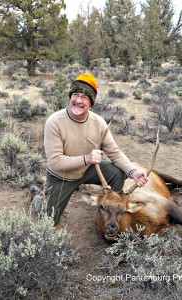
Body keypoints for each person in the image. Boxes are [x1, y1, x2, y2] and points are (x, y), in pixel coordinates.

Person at [44, 73, 148, 224]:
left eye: (84, 97)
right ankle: (37, 199)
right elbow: (55, 162)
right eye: (75, 95)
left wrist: (133, 172)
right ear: (70, 96)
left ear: (91, 103)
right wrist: (86, 159)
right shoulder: (54, 122)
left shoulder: (98, 122)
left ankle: (111, 209)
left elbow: (114, 152)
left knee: (118, 173)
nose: (78, 100)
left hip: (87, 170)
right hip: (62, 177)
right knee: (48, 221)